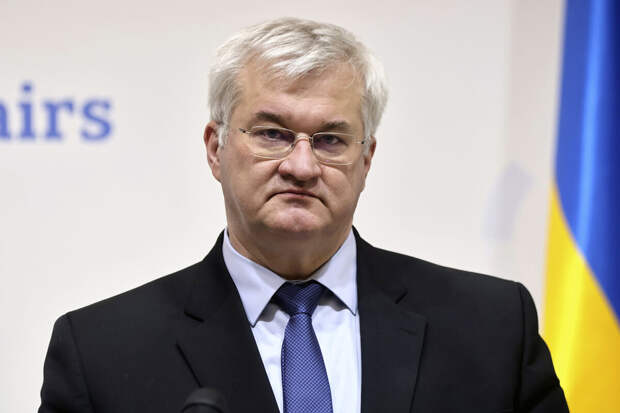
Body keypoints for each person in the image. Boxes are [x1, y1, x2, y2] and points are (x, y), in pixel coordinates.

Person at [38, 17, 568, 413]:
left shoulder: (491, 328)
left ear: (366, 160)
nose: (301, 165)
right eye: (272, 134)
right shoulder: (102, 352)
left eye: (331, 140)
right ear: (215, 149)